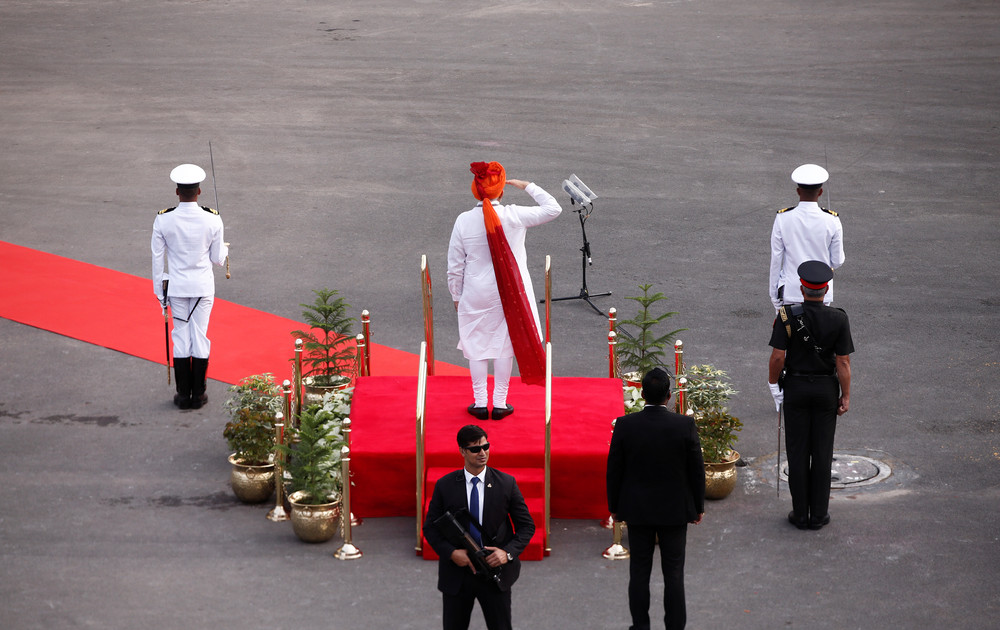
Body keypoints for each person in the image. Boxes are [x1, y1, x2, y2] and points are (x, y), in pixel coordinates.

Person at [447, 161, 561, 420]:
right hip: (510, 291)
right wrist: (528, 185)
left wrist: (456, 294)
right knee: (504, 345)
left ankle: (479, 402)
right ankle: (499, 402)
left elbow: (455, 265)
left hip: (475, 290)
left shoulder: (463, 221)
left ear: (475, 189)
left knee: (475, 344)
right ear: (501, 190)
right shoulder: (513, 214)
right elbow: (554, 208)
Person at [606, 368, 705, 630]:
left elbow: (614, 469)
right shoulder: (684, 425)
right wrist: (698, 507)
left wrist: (614, 507)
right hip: (674, 511)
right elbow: (696, 468)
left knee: (639, 571)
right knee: (674, 574)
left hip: (637, 510)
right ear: (669, 396)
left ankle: (640, 626)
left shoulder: (626, 425)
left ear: (641, 393)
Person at [768, 260, 854, 530]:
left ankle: (799, 513)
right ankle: (818, 514)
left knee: (797, 450)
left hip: (795, 388)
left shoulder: (786, 316)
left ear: (802, 288)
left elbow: (778, 357)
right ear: (826, 289)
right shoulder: (839, 318)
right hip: (826, 390)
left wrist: (774, 386)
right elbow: (843, 363)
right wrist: (846, 396)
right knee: (822, 451)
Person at [423, 425, 536, 630]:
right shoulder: (445, 485)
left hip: (495, 573)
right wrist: (451, 553)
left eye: (486, 446)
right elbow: (430, 528)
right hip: (458, 575)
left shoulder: (506, 483)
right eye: (475, 449)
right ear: (462, 451)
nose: (482, 453)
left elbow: (527, 526)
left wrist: (507, 553)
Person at [151, 163, 228, 410]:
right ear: (199, 191)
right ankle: (200, 394)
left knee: (180, 337)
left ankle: (183, 395)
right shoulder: (213, 218)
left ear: (177, 192)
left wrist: (159, 294)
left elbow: (156, 260)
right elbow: (217, 259)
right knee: (201, 336)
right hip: (202, 288)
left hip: (176, 288)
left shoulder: (163, 219)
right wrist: (225, 248)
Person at [768, 163, 845, 311]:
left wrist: (774, 294)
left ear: (798, 191)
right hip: (821, 292)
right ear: (821, 192)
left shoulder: (783, 218)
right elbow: (837, 261)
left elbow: (776, 259)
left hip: (791, 291)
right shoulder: (832, 220)